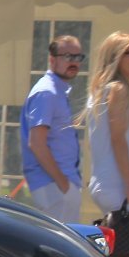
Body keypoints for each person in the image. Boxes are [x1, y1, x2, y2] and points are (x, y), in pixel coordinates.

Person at [83, 31, 129, 217]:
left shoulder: (102, 91)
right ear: (117, 56)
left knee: (120, 234)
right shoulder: (117, 90)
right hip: (119, 186)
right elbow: (117, 138)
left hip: (112, 183)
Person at [21, 35, 85, 223]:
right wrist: (64, 185)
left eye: (78, 57)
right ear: (52, 59)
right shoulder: (47, 92)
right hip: (53, 186)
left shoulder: (57, 91)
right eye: (67, 56)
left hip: (59, 186)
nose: (73, 62)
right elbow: (37, 143)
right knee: (59, 242)